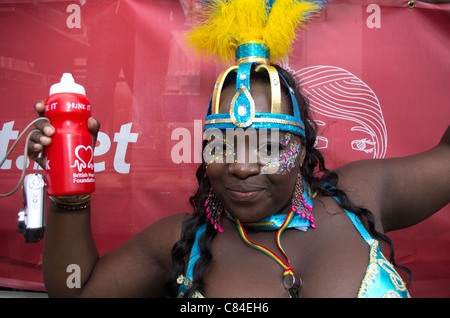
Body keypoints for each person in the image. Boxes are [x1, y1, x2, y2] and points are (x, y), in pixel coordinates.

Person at [28, 0, 449, 298]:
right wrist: (70, 190)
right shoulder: (178, 243)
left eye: (268, 145)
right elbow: (73, 292)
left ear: (301, 149)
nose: (242, 167)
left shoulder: (361, 195)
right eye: (223, 145)